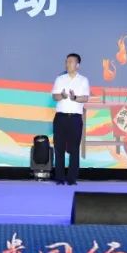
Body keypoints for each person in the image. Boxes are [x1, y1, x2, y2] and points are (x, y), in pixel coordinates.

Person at [52, 53, 91, 186]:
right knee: (59, 148)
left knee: (74, 149)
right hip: (61, 117)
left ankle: (72, 178)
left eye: (71, 62)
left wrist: (74, 98)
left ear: (77, 65)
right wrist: (62, 96)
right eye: (66, 62)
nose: (67, 64)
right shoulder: (60, 79)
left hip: (75, 118)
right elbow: (54, 96)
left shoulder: (83, 80)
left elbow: (85, 98)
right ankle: (59, 178)